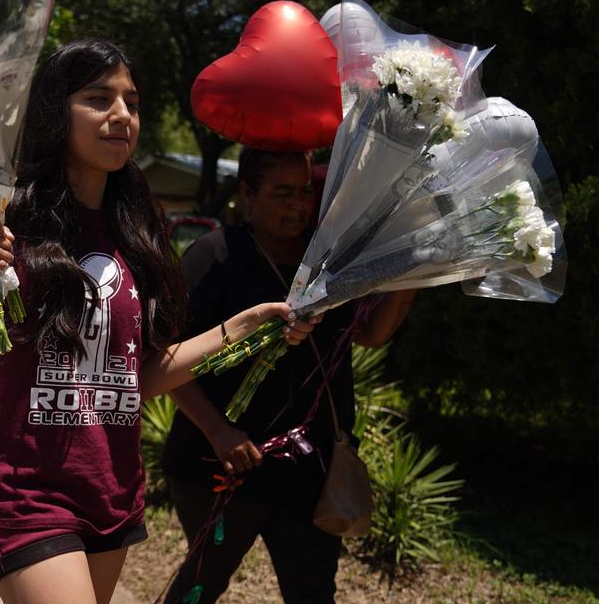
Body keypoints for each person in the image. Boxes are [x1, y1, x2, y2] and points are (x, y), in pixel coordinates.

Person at [0, 39, 317, 604]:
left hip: (108, 488)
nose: (122, 115)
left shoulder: (139, 232)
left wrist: (244, 327)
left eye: (132, 102)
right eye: (98, 99)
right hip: (17, 487)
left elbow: (134, 377)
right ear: (54, 112)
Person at [160, 148, 417, 604]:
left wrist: (411, 273)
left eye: (304, 191)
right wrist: (218, 431)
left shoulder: (329, 262)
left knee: (313, 593)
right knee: (201, 586)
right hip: (221, 469)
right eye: (282, 193)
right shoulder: (215, 256)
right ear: (246, 193)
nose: (298, 204)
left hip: (308, 469)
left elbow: (371, 335)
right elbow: (165, 361)